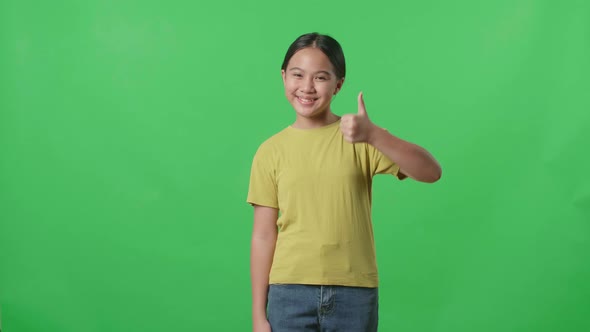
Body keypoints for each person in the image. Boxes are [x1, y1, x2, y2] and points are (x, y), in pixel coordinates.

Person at [247, 32, 442, 332]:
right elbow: (262, 236)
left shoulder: (359, 137)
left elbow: (431, 171)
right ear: (284, 76)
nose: (307, 87)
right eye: (298, 75)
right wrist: (259, 317)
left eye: (321, 77)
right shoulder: (270, 151)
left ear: (338, 84)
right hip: (289, 292)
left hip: (354, 293)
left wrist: (376, 135)